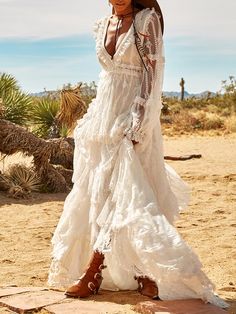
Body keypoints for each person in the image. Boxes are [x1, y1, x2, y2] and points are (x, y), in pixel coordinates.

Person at [48, 0, 228, 308]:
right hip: (103, 117)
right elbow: (108, 79)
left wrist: (137, 123)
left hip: (132, 118)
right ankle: (136, 273)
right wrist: (92, 119)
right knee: (101, 193)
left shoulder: (147, 20)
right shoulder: (103, 24)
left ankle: (98, 272)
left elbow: (151, 75)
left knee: (127, 194)